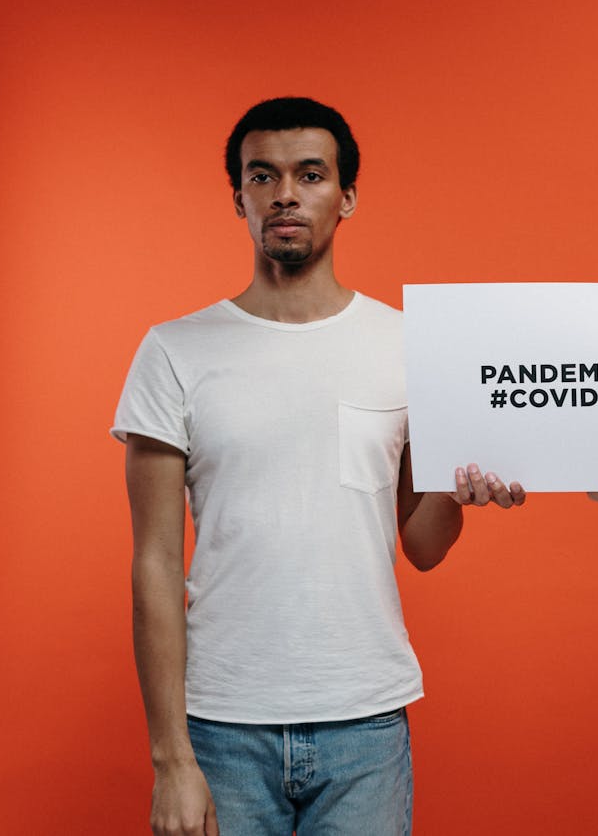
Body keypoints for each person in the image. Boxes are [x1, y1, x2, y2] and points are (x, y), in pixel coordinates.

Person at [112, 97, 525, 836]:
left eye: (310, 174)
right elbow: (154, 560)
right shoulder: (174, 350)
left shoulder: (409, 346)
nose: (285, 194)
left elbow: (423, 544)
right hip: (220, 726)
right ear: (239, 196)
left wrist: (461, 491)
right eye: (262, 176)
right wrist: (171, 757)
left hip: (365, 723)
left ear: (348, 195)